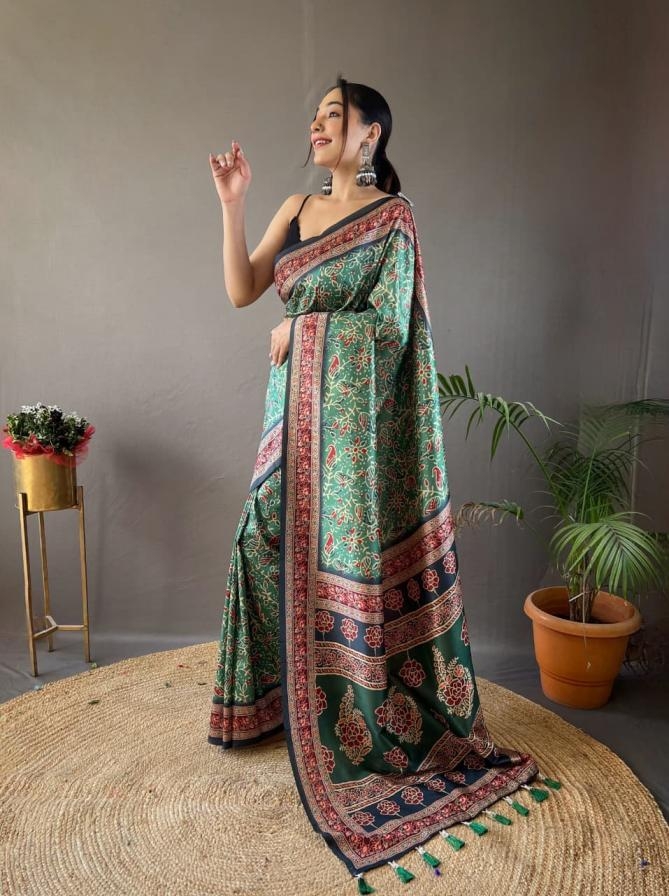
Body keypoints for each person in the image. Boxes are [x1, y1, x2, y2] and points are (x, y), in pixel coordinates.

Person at [207, 75, 561, 889]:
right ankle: (269, 704)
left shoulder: (391, 219)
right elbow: (240, 291)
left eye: (334, 114)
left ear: (370, 134)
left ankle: (358, 714)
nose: (318, 124)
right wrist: (233, 203)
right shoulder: (295, 209)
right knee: (262, 540)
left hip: (354, 432)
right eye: (316, 115)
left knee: (342, 560)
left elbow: (391, 327)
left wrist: (306, 327)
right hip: (289, 417)